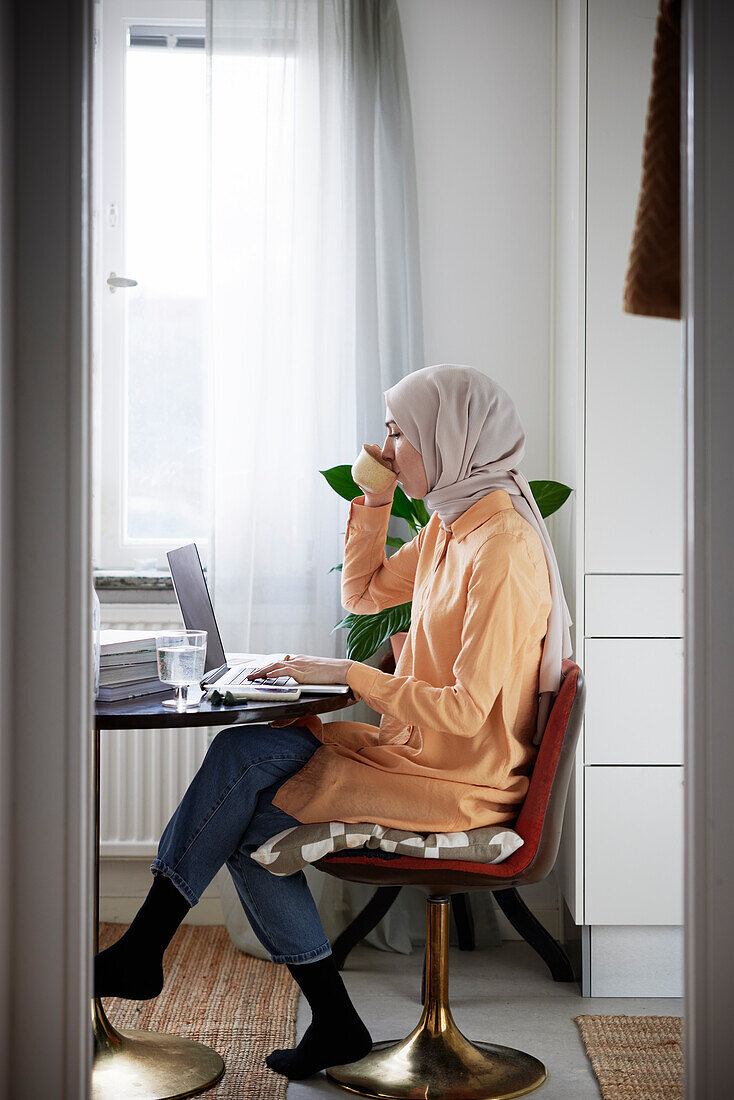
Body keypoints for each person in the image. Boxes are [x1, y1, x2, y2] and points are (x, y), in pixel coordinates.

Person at [94, 363, 571, 1081]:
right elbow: (366, 590)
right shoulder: (454, 526)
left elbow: (471, 713)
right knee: (241, 761)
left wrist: (345, 674)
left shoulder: (500, 548)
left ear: (450, 439)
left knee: (244, 808)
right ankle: (308, 1012)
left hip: (458, 776)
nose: (382, 448)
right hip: (416, 750)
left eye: (398, 433)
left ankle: (160, 956)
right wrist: (373, 498)